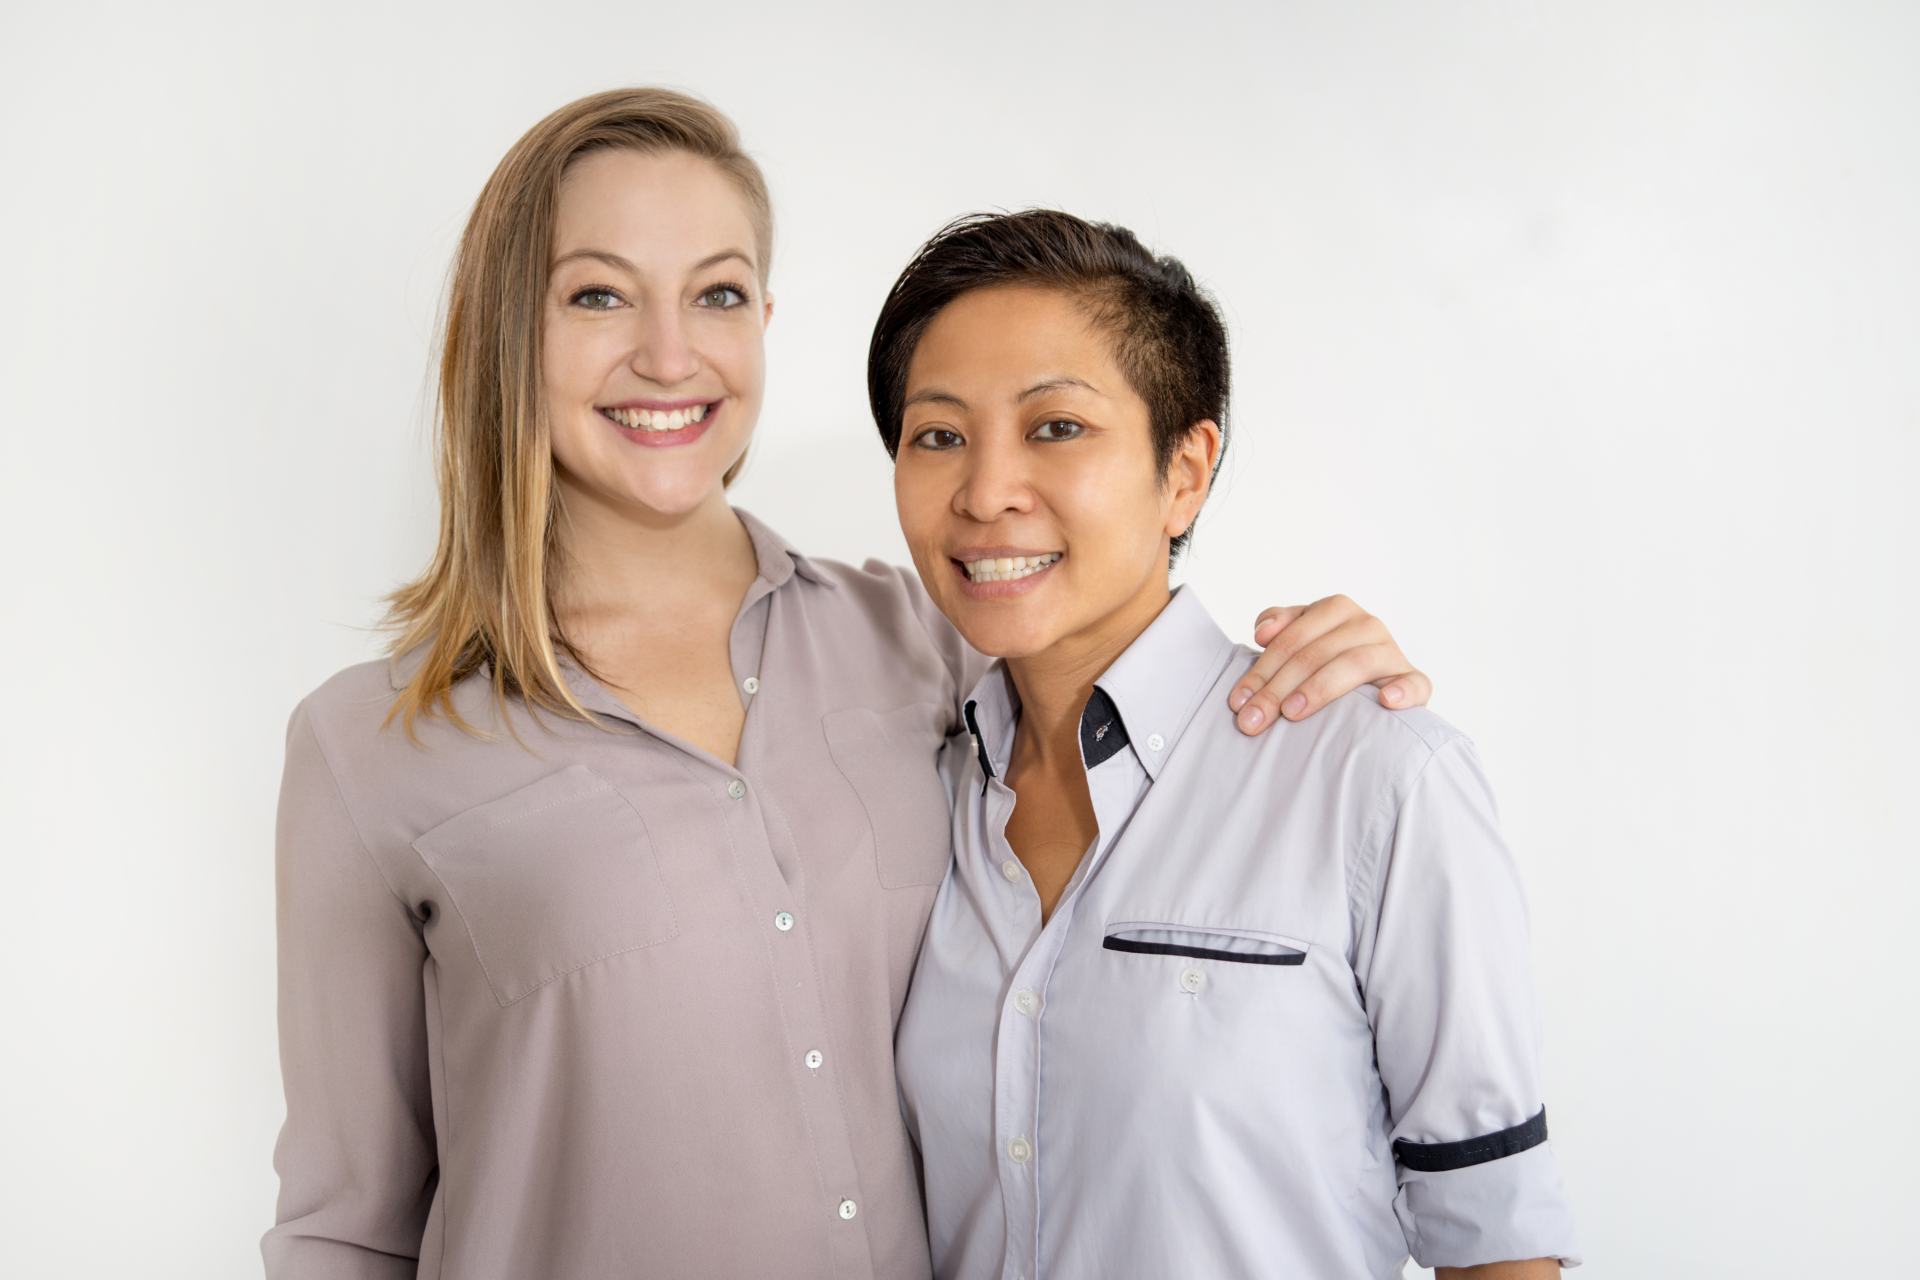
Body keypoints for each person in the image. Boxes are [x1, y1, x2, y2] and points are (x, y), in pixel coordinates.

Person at [261, 89, 1437, 1279]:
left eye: (716, 293)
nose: (669, 354)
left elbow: (1132, 668)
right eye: (599, 294)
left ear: (762, 318)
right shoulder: (371, 747)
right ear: (511, 330)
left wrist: (1314, 670)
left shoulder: (927, 642)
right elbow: (344, 1228)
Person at [881, 210, 1579, 1278]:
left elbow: (1497, 1245)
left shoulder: (1374, 779)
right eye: (939, 435)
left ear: (1186, 470)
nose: (984, 492)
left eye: (1056, 427)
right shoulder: (910, 784)